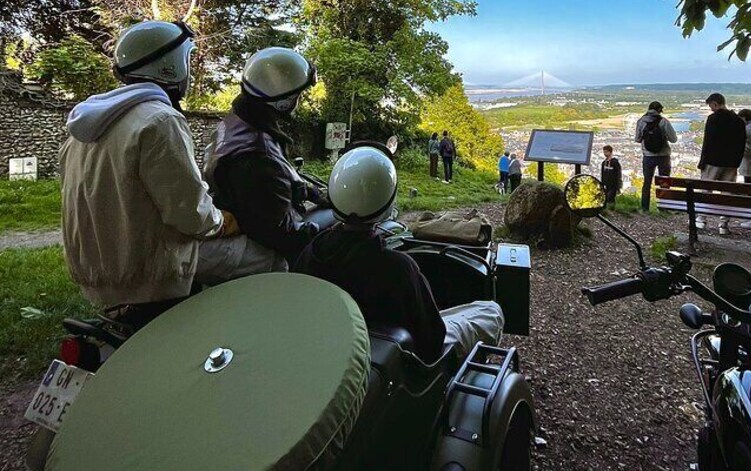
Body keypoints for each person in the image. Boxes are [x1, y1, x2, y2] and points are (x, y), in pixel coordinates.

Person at [59, 20, 264, 323]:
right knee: (268, 259)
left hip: (96, 269)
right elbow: (189, 214)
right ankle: (247, 336)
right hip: (150, 269)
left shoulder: (90, 121)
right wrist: (223, 222)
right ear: (171, 65)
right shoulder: (159, 120)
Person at [294, 146, 504, 363]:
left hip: (336, 352)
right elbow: (432, 340)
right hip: (400, 365)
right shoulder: (398, 268)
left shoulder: (311, 254)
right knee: (490, 311)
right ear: (388, 201)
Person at [204, 47, 330, 268]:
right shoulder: (258, 157)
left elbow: (277, 181)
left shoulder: (238, 123)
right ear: (283, 100)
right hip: (264, 245)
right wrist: (318, 235)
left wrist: (314, 193)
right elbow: (280, 234)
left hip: (240, 215)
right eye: (297, 95)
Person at [697, 93, 747, 235]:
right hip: (731, 163)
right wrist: (736, 162)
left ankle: (701, 219)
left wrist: (702, 162)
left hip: (712, 161)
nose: (711, 109)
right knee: (727, 193)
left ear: (715, 104)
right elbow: (742, 144)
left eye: (711, 106)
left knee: (706, 190)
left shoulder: (713, 119)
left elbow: (708, 142)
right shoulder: (738, 121)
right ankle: (723, 224)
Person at [634, 101, 677, 212]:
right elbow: (673, 139)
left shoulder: (641, 121)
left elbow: (637, 139)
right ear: (659, 110)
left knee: (647, 182)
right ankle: (664, 208)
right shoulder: (663, 121)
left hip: (648, 156)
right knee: (664, 182)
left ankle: (644, 208)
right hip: (663, 156)